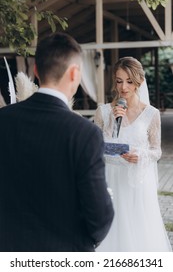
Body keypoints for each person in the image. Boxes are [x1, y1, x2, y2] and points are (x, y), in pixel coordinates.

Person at [0, 32, 114, 252]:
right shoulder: (85, 134)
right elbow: (100, 218)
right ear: (74, 73)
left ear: (35, 70)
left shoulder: (3, 120)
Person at [94, 56, 172, 252]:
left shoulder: (151, 114)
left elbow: (157, 150)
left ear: (138, 82)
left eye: (129, 81)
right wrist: (112, 122)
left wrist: (141, 156)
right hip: (111, 180)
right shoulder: (103, 112)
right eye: (119, 81)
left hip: (138, 182)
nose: (124, 87)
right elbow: (95, 148)